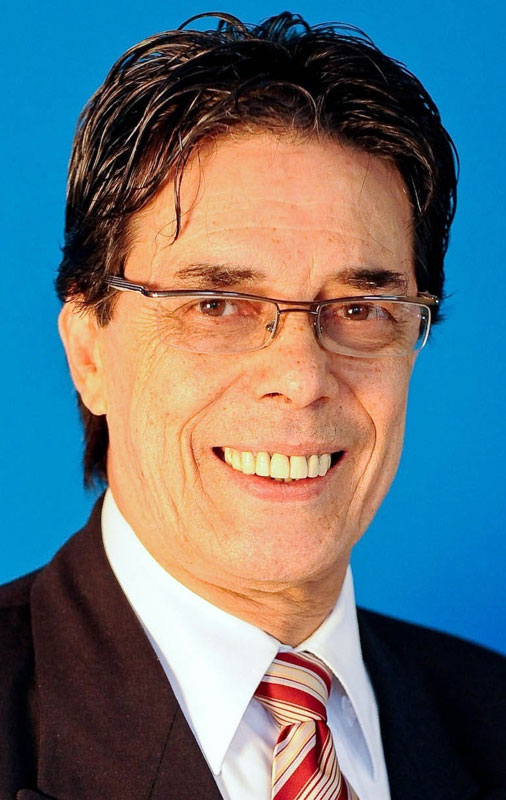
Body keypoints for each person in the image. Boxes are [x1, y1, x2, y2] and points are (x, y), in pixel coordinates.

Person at [1, 11, 504, 800]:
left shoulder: (489, 714)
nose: (301, 377)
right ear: (89, 350)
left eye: (359, 310)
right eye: (215, 305)